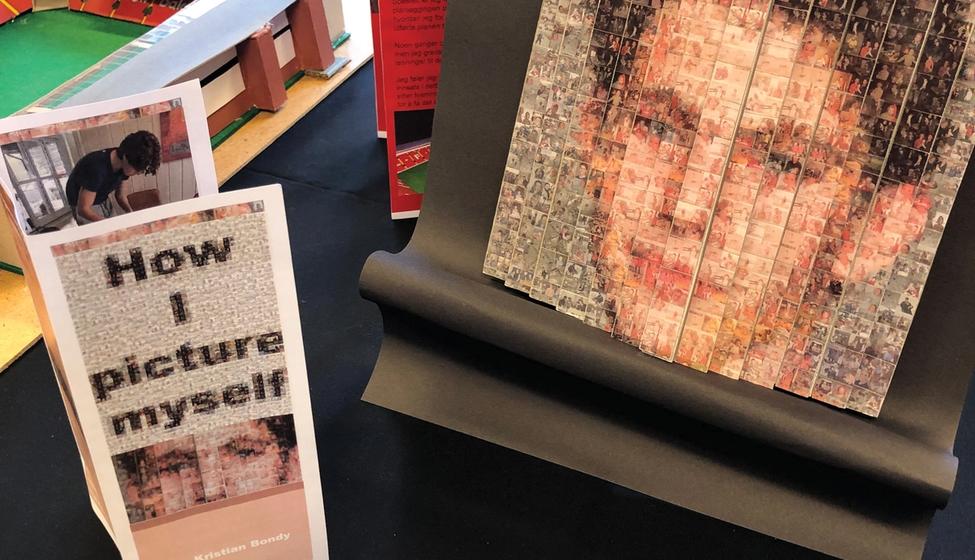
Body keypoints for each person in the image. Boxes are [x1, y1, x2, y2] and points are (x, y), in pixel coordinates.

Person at [66, 130, 161, 224]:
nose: (139, 173)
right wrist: (109, 225)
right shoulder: (96, 168)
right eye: (137, 169)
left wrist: (131, 213)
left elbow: (120, 195)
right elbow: (83, 209)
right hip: (83, 205)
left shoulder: (124, 165)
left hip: (101, 198)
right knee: (106, 231)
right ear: (125, 158)